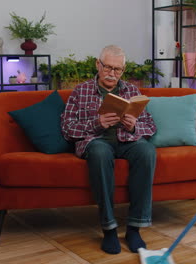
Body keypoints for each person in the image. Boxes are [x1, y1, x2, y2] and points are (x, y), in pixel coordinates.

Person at [61, 45, 157, 254]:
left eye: (118, 70)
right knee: (99, 152)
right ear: (98, 64)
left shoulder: (131, 91)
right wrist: (97, 123)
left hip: (127, 140)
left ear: (123, 70)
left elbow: (150, 126)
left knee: (147, 151)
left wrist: (133, 126)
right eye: (107, 68)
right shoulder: (81, 91)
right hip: (97, 141)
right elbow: (67, 129)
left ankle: (134, 228)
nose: (112, 74)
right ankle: (110, 229)